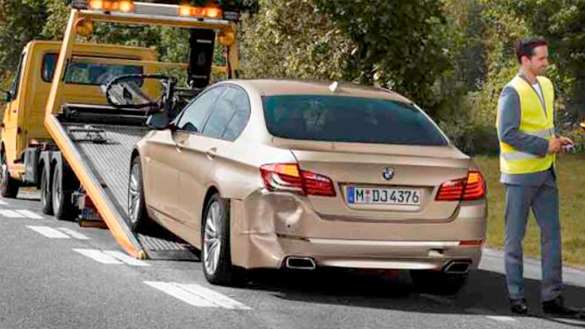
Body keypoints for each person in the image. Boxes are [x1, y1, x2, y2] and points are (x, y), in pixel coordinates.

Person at [496, 37, 584, 318]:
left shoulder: (546, 85)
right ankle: (516, 298)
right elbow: (507, 133)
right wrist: (545, 146)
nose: (547, 63)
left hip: (546, 172)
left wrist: (556, 140)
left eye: (546, 57)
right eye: (541, 58)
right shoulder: (512, 91)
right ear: (525, 60)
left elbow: (543, 126)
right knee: (514, 240)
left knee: (552, 237)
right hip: (520, 177)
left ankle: (552, 298)